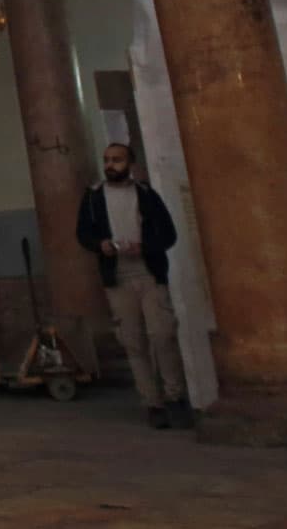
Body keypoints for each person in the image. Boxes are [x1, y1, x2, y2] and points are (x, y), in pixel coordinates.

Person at [75, 141, 191, 428]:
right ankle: (152, 403)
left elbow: (168, 235)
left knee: (162, 334)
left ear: (130, 163)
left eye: (117, 159)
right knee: (133, 341)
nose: (110, 165)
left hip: (148, 273)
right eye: (106, 160)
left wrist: (145, 247)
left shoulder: (146, 195)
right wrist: (100, 245)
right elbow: (83, 234)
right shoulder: (92, 198)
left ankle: (175, 396)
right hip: (118, 278)